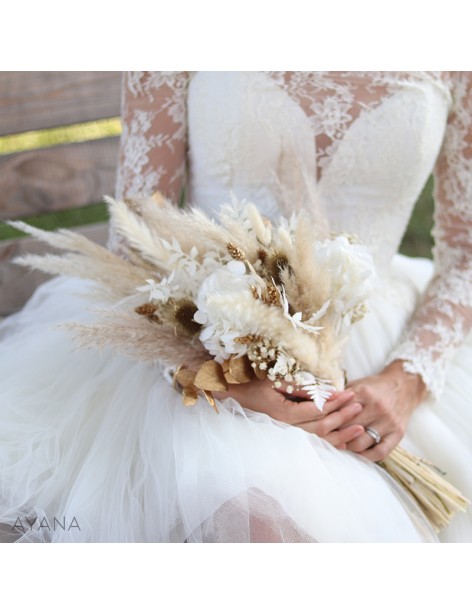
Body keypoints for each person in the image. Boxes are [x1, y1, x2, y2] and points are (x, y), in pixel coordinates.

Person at [0, 71, 471, 542]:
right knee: (250, 518)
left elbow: (465, 252)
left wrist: (405, 382)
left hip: (379, 360)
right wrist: (220, 379)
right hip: (205, 335)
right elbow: (135, 234)